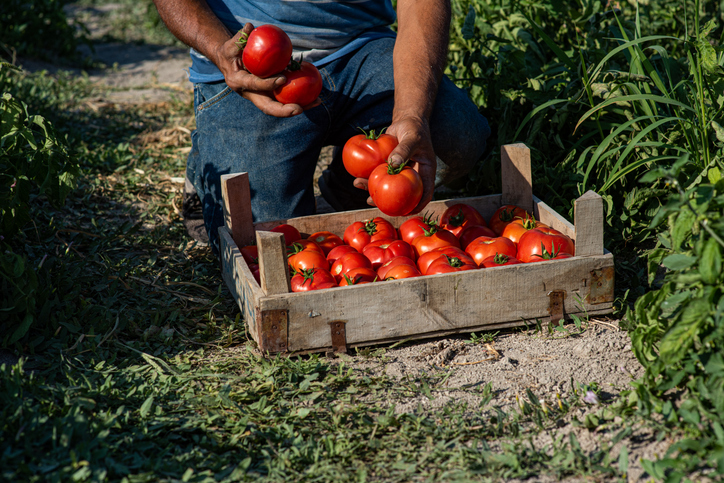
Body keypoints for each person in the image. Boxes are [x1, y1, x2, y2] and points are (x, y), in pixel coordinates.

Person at [152, 0, 491, 253]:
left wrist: (411, 115)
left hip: (362, 46)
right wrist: (219, 51)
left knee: (454, 136)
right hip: (252, 64)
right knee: (268, 242)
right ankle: (204, 168)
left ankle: (346, 194)